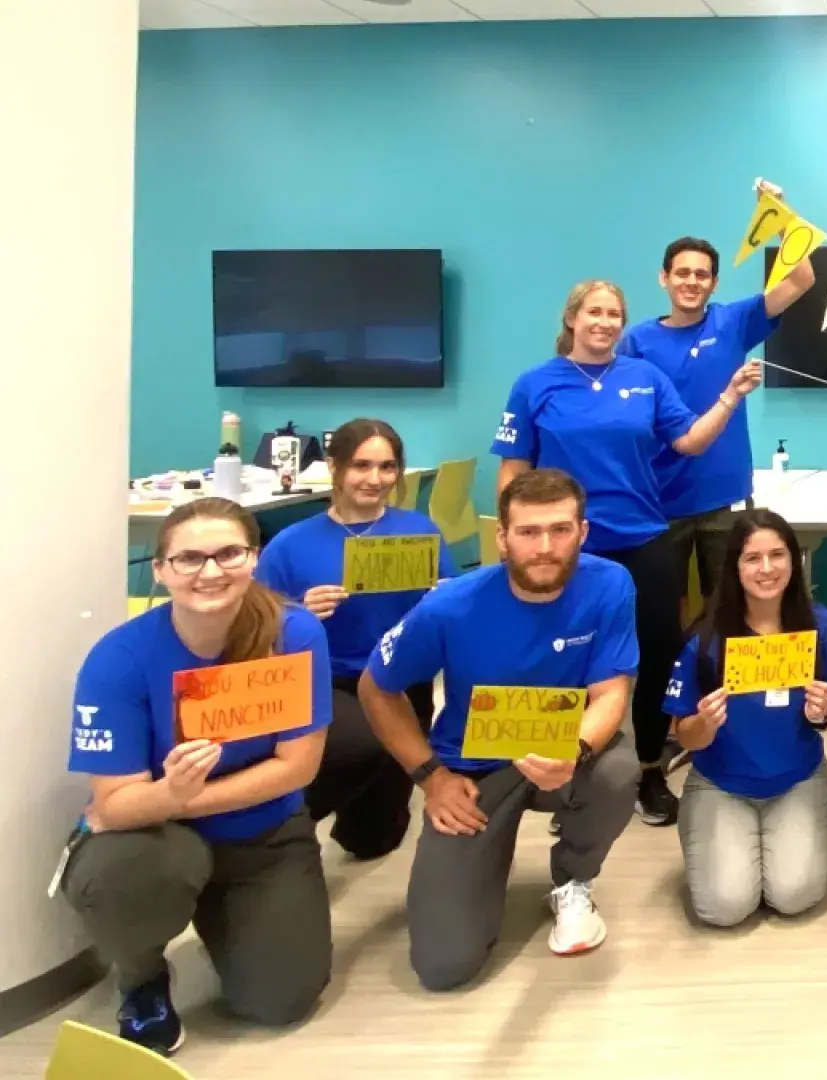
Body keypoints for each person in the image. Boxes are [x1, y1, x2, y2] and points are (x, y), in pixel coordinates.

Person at [61, 499, 333, 1055]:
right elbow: (113, 808)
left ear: (254, 558)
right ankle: (142, 980)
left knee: (280, 1003)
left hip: (263, 836)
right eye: (188, 559)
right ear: (158, 570)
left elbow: (298, 768)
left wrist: (174, 797)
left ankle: (227, 920)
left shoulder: (294, 633)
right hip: (158, 841)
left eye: (228, 553)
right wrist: (161, 800)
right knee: (124, 872)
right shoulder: (119, 658)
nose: (210, 572)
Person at [492, 279, 762, 829]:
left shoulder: (645, 377)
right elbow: (513, 470)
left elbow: (689, 441)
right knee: (563, 657)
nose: (606, 322)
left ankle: (647, 770)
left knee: (656, 658)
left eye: (615, 313)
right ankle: (556, 773)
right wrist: (515, 540)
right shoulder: (534, 384)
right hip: (565, 546)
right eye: (595, 311)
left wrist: (730, 396)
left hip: (644, 537)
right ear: (572, 318)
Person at [359, 468, 642, 991]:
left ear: (582, 532)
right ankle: (479, 867)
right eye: (528, 532)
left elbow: (610, 695)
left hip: (562, 748)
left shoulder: (610, 584)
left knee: (619, 771)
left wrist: (574, 751)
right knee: (444, 967)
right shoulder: (450, 605)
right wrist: (430, 777)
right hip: (473, 768)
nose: (544, 547)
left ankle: (573, 881)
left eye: (560, 530)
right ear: (502, 537)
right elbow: (376, 688)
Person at [617, 178, 818, 613]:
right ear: (664, 278)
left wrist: (780, 214)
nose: (692, 281)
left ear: (714, 282)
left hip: (723, 501)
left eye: (702, 274)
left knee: (731, 612)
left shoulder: (732, 321)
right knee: (660, 615)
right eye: (683, 273)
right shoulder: (636, 342)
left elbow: (802, 277)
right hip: (659, 502)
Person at [257, 417, 455, 859]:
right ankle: (280, 825)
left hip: (403, 678)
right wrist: (298, 613)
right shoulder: (289, 546)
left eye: (387, 468)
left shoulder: (420, 532)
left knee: (375, 840)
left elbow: (459, 608)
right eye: (361, 466)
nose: (375, 479)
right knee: (360, 748)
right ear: (335, 468)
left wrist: (444, 600)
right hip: (329, 681)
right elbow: (252, 632)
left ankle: (354, 814)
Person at [663, 509, 827, 927]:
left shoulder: (821, 628)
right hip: (721, 785)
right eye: (753, 558)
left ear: (795, 560)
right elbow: (684, 735)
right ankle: (734, 847)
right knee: (723, 908)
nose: (767, 569)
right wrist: (704, 723)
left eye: (778, 555)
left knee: (794, 896)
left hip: (798, 780)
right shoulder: (705, 640)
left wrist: (823, 713)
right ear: (734, 566)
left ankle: (770, 847)